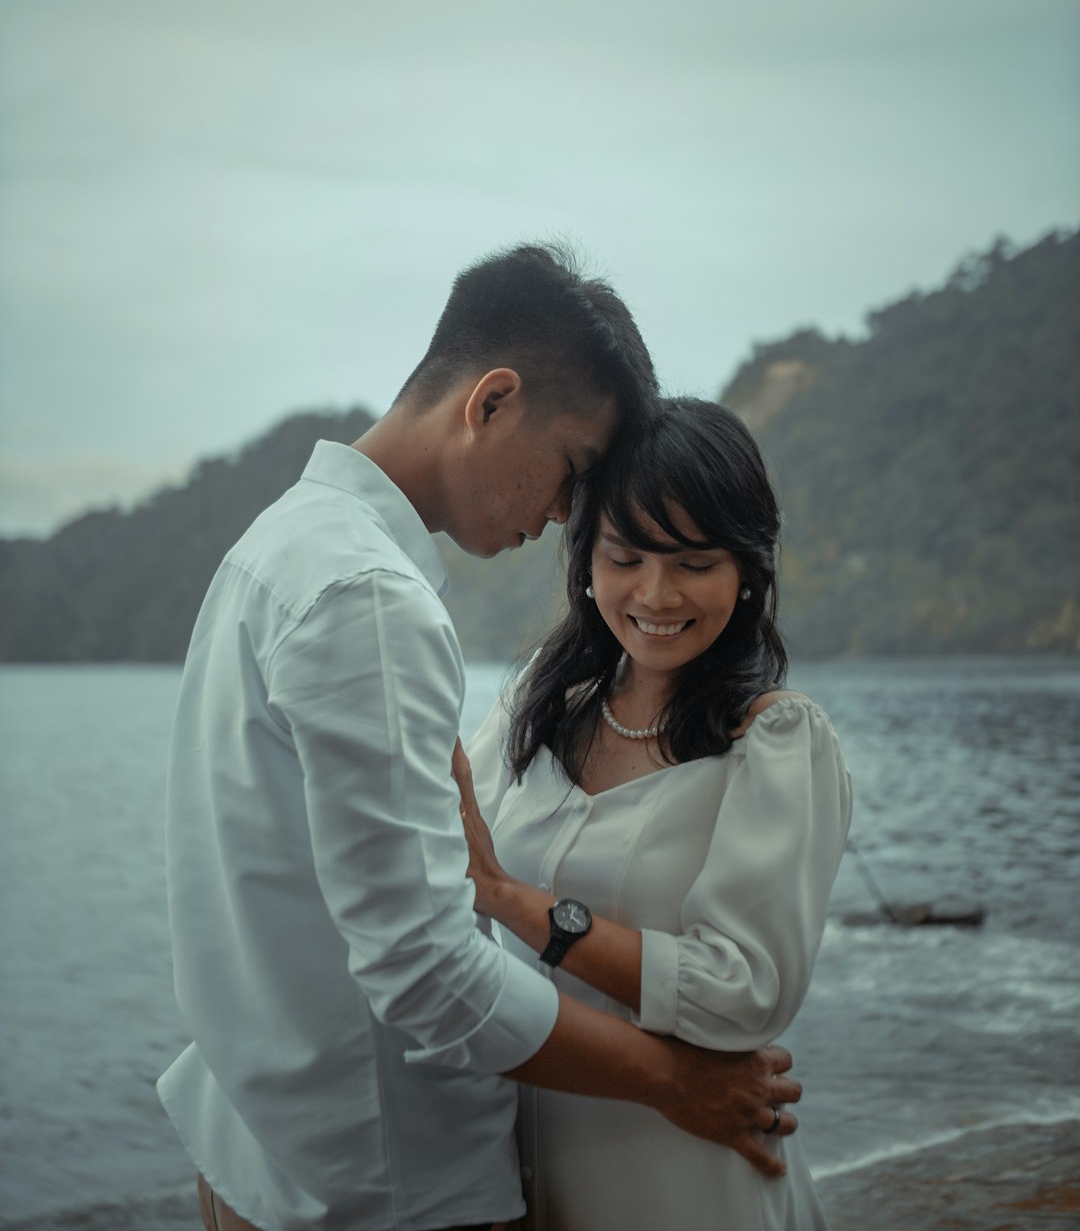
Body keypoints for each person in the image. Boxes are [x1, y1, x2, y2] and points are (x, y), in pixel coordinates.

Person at [158, 249, 803, 1231]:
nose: (561, 517)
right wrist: (674, 1082)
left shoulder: (278, 547)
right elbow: (424, 969)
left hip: (266, 1149)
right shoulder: (367, 596)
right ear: (491, 402)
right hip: (382, 1183)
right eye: (573, 470)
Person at [455, 396, 853, 1230]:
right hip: (530, 1173)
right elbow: (440, 858)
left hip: (692, 1178)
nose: (657, 593)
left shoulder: (773, 741)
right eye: (625, 556)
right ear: (586, 561)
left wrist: (521, 906)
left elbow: (745, 993)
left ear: (747, 568)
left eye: (695, 561)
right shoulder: (541, 704)